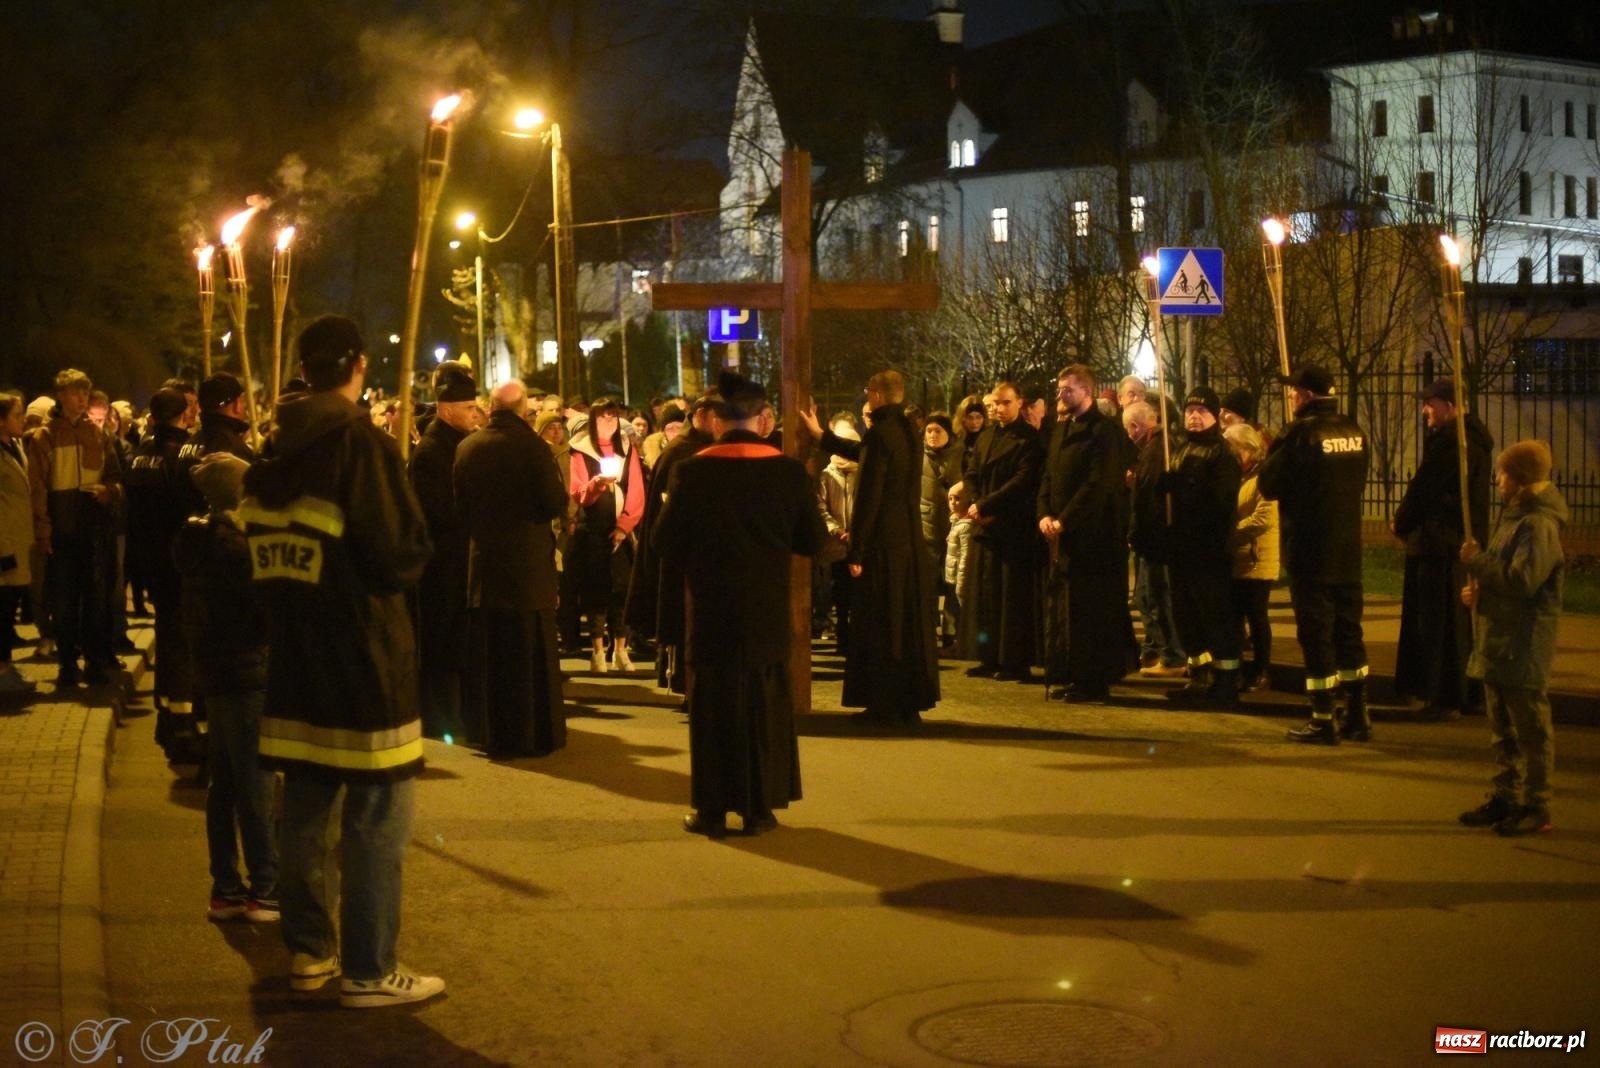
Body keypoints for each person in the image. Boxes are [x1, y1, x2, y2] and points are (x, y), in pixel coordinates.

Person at [242, 314, 442, 1008]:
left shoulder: (272, 453)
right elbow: (399, 552)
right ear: (357, 364)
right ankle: (369, 966)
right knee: (376, 817)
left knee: (302, 810)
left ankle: (308, 951)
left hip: (294, 659)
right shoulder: (360, 443)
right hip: (363, 659)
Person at [654, 372, 825, 836]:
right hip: (767, 609)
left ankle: (711, 809)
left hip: (713, 610)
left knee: (713, 708)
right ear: (760, 418)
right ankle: (760, 808)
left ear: (716, 421)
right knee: (765, 704)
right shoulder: (787, 472)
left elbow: (664, 541)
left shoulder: (693, 472)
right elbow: (812, 540)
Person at [174, 453, 277, 924]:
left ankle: (227, 887)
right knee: (255, 783)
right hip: (243, 670)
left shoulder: (201, 541)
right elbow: (258, 613)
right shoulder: (233, 551)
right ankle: (266, 886)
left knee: (227, 781)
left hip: (216, 672)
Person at [814, 370, 941, 725]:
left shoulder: (880, 433)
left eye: (869, 390)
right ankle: (908, 700)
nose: (866, 396)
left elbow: (869, 496)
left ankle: (883, 700)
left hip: (883, 544)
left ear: (879, 395)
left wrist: (857, 550)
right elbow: (863, 452)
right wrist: (823, 437)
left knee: (881, 622)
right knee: (906, 620)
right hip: (908, 539)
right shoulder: (907, 432)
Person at [454, 381, 571, 758]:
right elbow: (553, 502)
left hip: (485, 566)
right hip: (527, 568)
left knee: (491, 657)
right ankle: (530, 733)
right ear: (523, 411)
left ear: (490, 407)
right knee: (527, 658)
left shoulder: (467, 447)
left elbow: (461, 507)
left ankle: (491, 732)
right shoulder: (534, 449)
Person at [1458, 440, 1566, 837]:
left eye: (1502, 473)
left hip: (1523, 642)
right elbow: (1502, 575)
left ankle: (1536, 805)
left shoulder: (1537, 525)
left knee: (1530, 731)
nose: (1496, 480)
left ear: (1518, 480)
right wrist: (1477, 591)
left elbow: (1523, 582)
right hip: (1500, 638)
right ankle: (1507, 796)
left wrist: (1477, 562)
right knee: (1502, 728)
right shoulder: (1516, 516)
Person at [1258, 365, 1371, 745]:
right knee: (1349, 630)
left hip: (1309, 548)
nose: (1290, 397)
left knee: (1317, 634)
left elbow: (1269, 484)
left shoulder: (1300, 434)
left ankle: (1323, 717)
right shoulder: (1354, 431)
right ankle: (1358, 712)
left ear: (1306, 395)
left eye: (1293, 392)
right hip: (1347, 548)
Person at [1393, 378, 1492, 722]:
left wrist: (1402, 523)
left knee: (1440, 624)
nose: (1424, 410)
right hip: (1458, 542)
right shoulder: (1470, 441)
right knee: (1459, 622)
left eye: (1429, 404)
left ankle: (1444, 693)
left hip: (1440, 543)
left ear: (1449, 406)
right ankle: (1464, 692)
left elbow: (1424, 489)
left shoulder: (1453, 444)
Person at [1037, 364, 1137, 703]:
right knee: (1068, 611)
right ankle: (1073, 672)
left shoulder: (1104, 432)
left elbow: (1098, 483)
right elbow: (1049, 476)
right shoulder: (1060, 430)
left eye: (1069, 390)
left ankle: (1093, 679)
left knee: (1092, 611)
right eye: (1060, 390)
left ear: (1087, 393)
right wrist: (1044, 515)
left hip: (1094, 537)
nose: (1061, 396)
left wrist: (1065, 520)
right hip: (1064, 537)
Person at [30, 368, 122, 688]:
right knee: (65, 603)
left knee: (95, 601)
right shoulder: (45, 436)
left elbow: (115, 478)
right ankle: (68, 664)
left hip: (92, 529)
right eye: (75, 392)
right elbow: (37, 488)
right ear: (60, 396)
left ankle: (95, 661)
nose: (82, 398)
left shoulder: (97, 435)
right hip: (62, 530)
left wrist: (108, 492)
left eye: (85, 392)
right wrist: (44, 530)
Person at [407, 361, 481, 743]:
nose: (475, 414)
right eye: (469, 408)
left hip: (457, 561)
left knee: (455, 642)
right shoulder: (432, 452)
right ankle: (440, 719)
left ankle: (454, 716)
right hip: (441, 565)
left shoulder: (457, 444)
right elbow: (436, 511)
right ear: (448, 409)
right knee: (439, 645)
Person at [625, 392, 717, 694]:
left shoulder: (711, 447)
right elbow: (661, 515)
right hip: (682, 559)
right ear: (702, 415)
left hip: (707, 558)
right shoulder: (679, 453)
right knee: (683, 626)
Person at [125, 388, 201, 755]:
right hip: (176, 558)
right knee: (181, 640)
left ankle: (165, 710)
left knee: (166, 633)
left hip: (149, 559)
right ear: (184, 413)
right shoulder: (180, 456)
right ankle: (181, 720)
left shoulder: (140, 454)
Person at [1159, 387, 1243, 707]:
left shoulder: (1222, 454)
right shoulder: (1180, 450)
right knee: (1186, 617)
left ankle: (1226, 682)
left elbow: (1221, 504)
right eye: (1189, 411)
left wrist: (1186, 490)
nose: (1194, 417)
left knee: (1215, 619)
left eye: (1201, 412)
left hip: (1209, 553)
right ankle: (1199, 674)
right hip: (1181, 550)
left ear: (1214, 417)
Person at [963, 382, 1043, 681]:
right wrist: (974, 502)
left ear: (1018, 403)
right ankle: (987, 655)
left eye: (1005, 403)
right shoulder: (986, 436)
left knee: (1011, 598)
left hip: (1011, 527)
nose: (998, 408)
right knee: (986, 596)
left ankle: (1013, 659)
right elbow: (971, 473)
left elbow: (1022, 481)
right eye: (995, 403)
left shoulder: (1028, 439)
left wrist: (986, 505)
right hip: (984, 524)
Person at [568, 397, 646, 673]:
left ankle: (621, 648)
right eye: (603, 417)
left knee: (622, 590)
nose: (609, 422)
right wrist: (596, 485)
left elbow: (636, 490)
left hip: (620, 532)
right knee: (596, 590)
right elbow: (578, 492)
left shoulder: (626, 449)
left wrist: (625, 526)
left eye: (613, 417)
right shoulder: (580, 451)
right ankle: (598, 650)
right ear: (593, 420)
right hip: (593, 530)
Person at [1124, 400, 1186, 678]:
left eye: (1128, 429)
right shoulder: (1156, 448)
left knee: (1155, 597)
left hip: (1156, 537)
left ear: (1136, 427)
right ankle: (1154, 647)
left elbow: (1148, 498)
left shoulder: (1156, 450)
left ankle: (1172, 655)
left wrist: (1136, 533)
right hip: (1154, 536)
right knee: (1147, 596)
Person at [1224, 422, 1279, 692]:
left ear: (1248, 448)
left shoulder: (1264, 477)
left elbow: (1263, 518)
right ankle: (1237, 671)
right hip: (1236, 557)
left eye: (1232, 448)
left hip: (1257, 558)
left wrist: (1228, 533)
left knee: (1257, 618)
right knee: (1234, 620)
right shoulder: (1236, 476)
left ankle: (1262, 670)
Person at [0, 394, 36, 694]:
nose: (21, 419)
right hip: (4, 547)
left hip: (18, 541)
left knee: (8, 609)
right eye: (16, 415)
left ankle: (6, 668)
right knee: (2, 611)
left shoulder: (15, 446)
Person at [816, 421, 859, 654]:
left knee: (856, 594)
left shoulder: (862, 473)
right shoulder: (827, 474)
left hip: (856, 543)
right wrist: (836, 529)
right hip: (835, 544)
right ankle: (842, 636)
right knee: (839, 594)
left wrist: (857, 531)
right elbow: (820, 506)